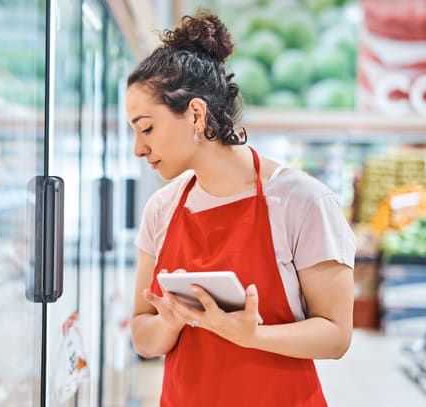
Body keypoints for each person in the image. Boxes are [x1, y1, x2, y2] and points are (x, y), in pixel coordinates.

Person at [127, 11, 356, 406]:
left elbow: (336, 335)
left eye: (146, 128)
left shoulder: (302, 202)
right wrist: (169, 320)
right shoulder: (161, 208)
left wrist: (253, 337)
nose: (138, 148)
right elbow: (141, 333)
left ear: (196, 114)